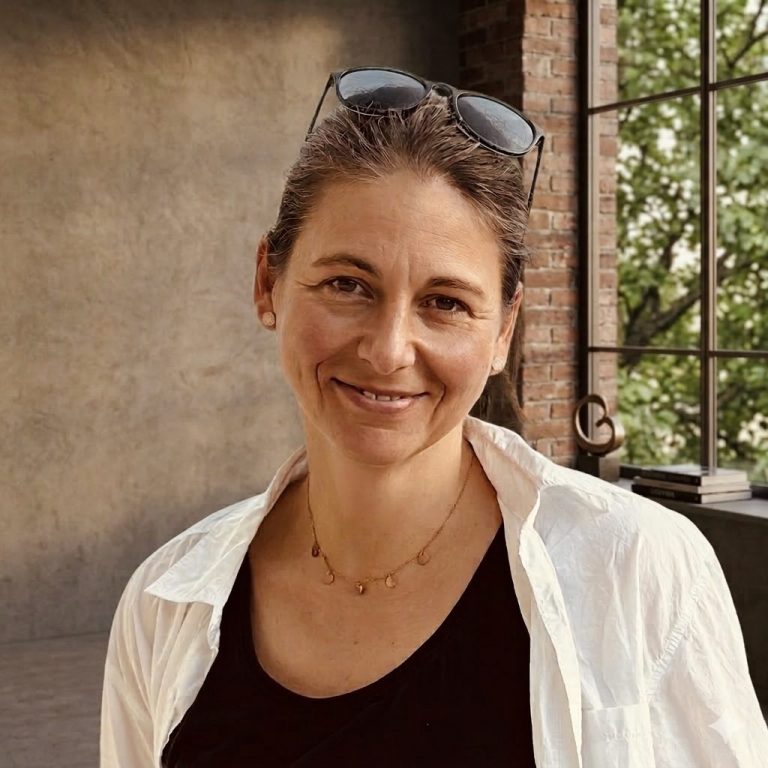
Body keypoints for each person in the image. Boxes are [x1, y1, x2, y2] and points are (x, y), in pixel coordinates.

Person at [100, 67, 768, 767]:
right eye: (347, 284)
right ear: (268, 283)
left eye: (445, 302)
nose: (389, 350)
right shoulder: (162, 602)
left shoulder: (636, 569)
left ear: (503, 330)